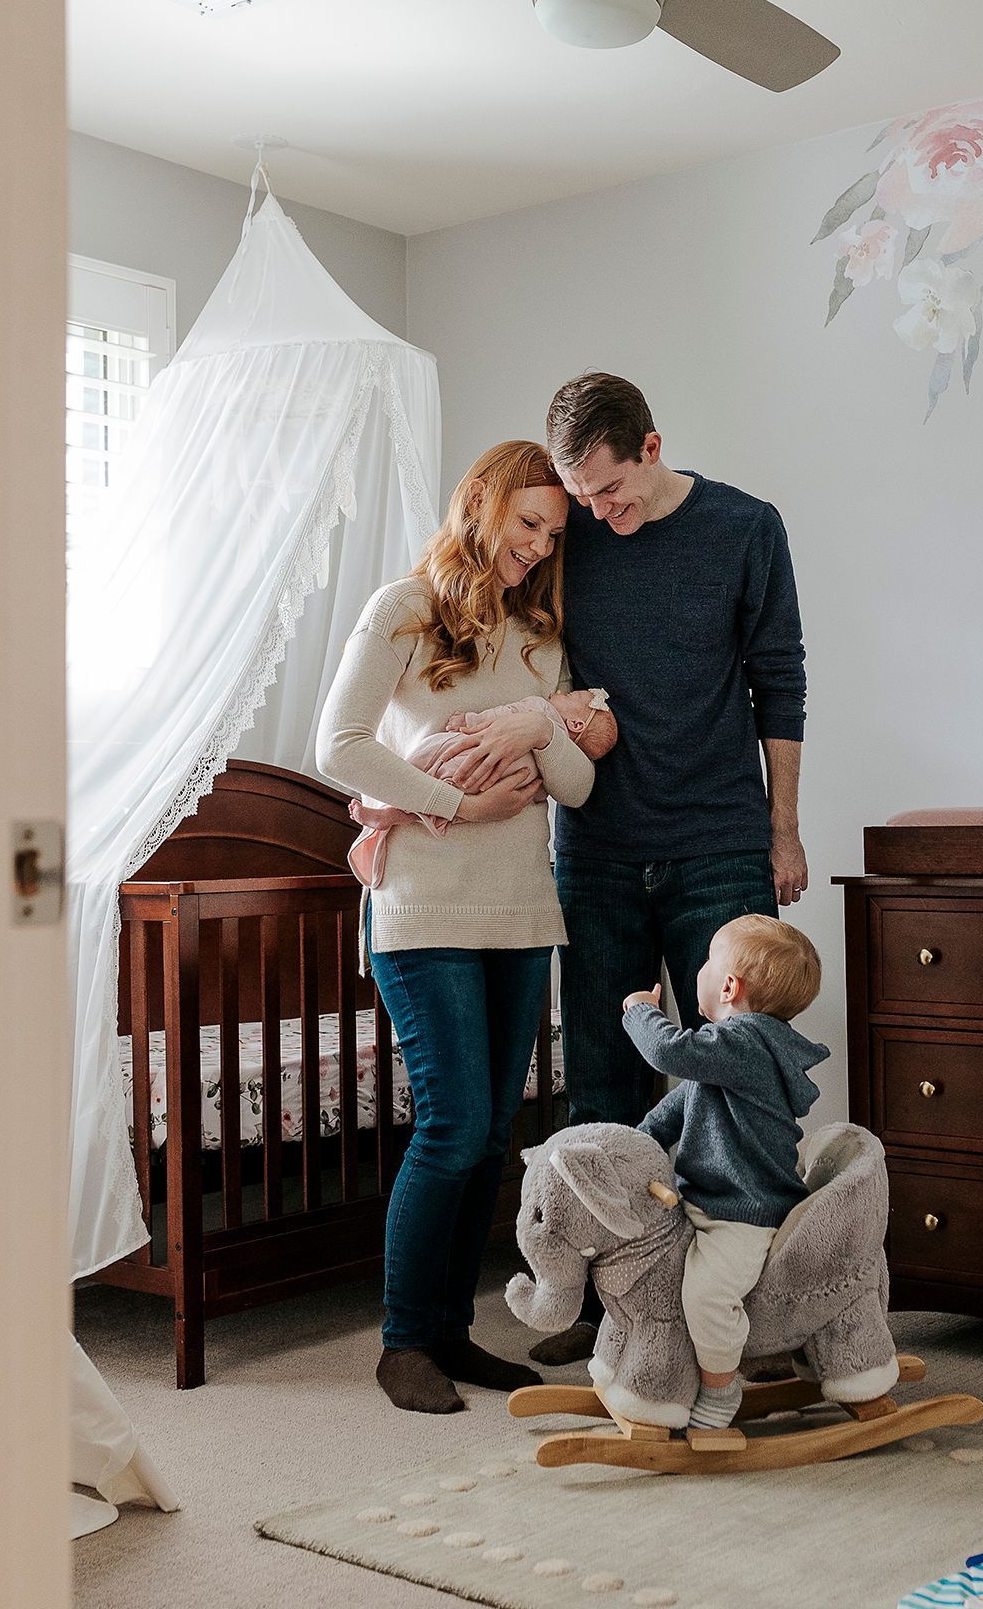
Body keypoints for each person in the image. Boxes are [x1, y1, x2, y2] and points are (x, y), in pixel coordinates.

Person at [531, 371, 808, 1363]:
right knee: (600, 1081)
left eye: (610, 493)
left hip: (719, 842)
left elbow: (778, 678)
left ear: (651, 449)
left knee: (736, 1087)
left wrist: (783, 828)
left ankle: (755, 1307)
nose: (596, 516)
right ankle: (616, 1312)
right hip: (597, 851)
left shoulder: (743, 527)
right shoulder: (568, 534)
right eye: (580, 498)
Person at [315, 439, 595, 1415]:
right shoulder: (405, 608)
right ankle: (403, 1344)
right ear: (481, 505)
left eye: (551, 533)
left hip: (522, 908)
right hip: (425, 905)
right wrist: (453, 800)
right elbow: (338, 744)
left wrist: (544, 728)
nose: (536, 545)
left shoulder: (540, 637)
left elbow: (578, 783)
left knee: (488, 1134)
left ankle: (451, 1333)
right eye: (527, 523)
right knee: (449, 1122)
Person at [621, 915, 827, 1428]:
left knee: (706, 1295)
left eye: (710, 961)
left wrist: (641, 1012)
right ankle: (643, 1372)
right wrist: (629, 1151)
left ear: (730, 986)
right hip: (702, 1200)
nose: (703, 970)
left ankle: (720, 1391)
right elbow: (672, 1113)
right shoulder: (725, 1051)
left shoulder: (748, 1043)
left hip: (743, 1211)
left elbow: (668, 1051)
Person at [345, 688, 617, 889]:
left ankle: (387, 811)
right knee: (448, 811)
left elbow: (501, 715)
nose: (560, 691)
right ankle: (392, 814)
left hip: (468, 758)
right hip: (496, 787)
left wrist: (468, 720)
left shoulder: (541, 710)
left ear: (576, 724)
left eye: (570, 696)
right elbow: (539, 790)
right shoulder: (556, 754)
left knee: (429, 762)